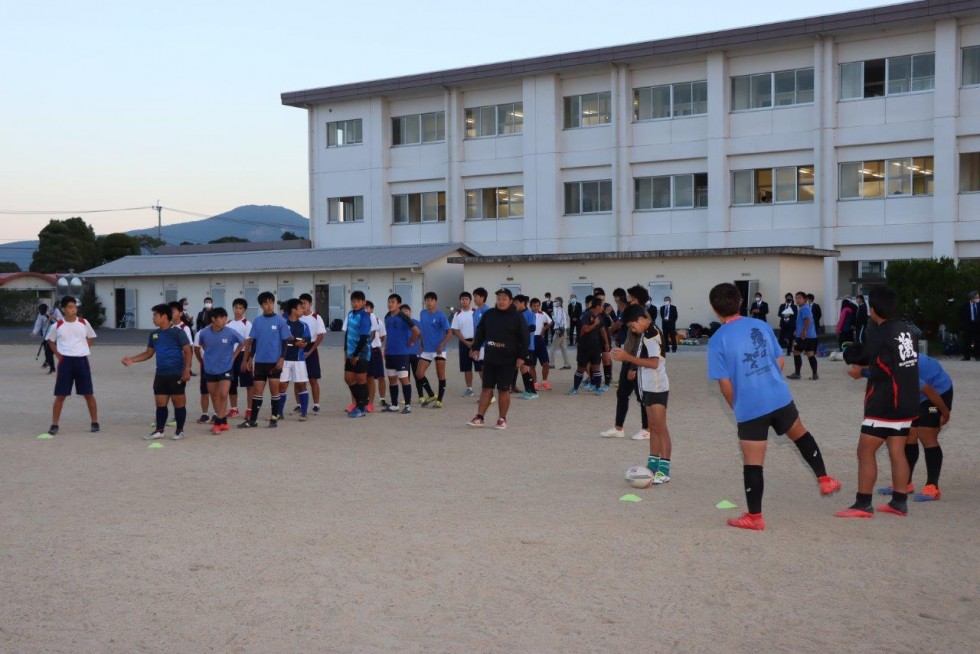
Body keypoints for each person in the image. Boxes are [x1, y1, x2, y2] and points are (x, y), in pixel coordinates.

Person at [706, 283, 841, 531]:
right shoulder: (762, 325)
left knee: (753, 461)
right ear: (740, 302)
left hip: (750, 405)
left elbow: (725, 384)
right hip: (778, 396)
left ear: (715, 310)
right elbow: (779, 359)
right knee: (800, 433)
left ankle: (755, 517)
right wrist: (769, 379)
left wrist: (738, 408)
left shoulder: (716, 341)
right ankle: (824, 478)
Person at [836, 285, 919, 519]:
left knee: (865, 451)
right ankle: (899, 501)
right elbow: (893, 366)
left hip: (886, 403)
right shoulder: (908, 331)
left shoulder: (881, 332)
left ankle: (863, 503)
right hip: (907, 401)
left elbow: (863, 357)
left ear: (873, 309)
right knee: (897, 450)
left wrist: (854, 363)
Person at [869, 352, 951, 502]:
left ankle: (932, 487)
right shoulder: (879, 363)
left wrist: (945, 412)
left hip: (937, 391)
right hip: (915, 395)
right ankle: (905, 483)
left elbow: (928, 390)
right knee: (908, 436)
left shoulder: (902, 366)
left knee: (926, 434)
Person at [613, 304, 672, 483]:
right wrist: (634, 368)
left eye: (632, 326)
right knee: (652, 427)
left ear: (641, 319)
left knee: (661, 428)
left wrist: (628, 358)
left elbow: (654, 363)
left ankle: (664, 468)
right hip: (646, 386)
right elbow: (643, 357)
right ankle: (653, 463)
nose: (632, 329)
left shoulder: (651, 335)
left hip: (657, 387)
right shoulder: (646, 333)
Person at [122, 303, 192, 440]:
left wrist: (187, 370)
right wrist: (132, 360)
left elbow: (188, 351)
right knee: (160, 403)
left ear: (164, 316)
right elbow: (148, 353)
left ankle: (179, 431)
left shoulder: (178, 332)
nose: (153, 318)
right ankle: (159, 430)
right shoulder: (154, 334)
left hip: (176, 374)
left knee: (179, 403)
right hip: (160, 374)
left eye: (155, 315)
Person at [466, 288, 529, 430]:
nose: (501, 301)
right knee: (486, 388)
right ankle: (480, 417)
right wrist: (475, 347)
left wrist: (522, 356)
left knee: (503, 389)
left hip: (508, 359)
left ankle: (502, 419)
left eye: (504, 298)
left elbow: (525, 338)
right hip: (490, 357)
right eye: (499, 298)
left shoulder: (517, 317)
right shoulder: (489, 314)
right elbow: (481, 332)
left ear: (510, 300)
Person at [600, 285, 651, 440]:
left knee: (641, 396)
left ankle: (646, 429)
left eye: (630, 296)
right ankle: (618, 428)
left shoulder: (643, 316)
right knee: (622, 393)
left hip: (636, 361)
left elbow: (641, 345)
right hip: (627, 358)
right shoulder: (631, 312)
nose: (627, 299)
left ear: (636, 298)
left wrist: (634, 366)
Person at [46, 296, 100, 435]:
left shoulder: (83, 322)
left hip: (81, 360)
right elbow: (50, 341)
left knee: (88, 393)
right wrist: (58, 355)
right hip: (66, 362)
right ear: (63, 309)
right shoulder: (57, 325)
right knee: (61, 395)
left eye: (75, 307)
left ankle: (94, 422)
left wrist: (84, 348)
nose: (73, 309)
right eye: (70, 307)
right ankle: (54, 424)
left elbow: (92, 336)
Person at [238, 291, 289, 429]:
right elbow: (254, 341)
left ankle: (274, 418)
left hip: (274, 362)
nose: (269, 305)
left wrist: (282, 358)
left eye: (271, 302)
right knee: (257, 391)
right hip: (260, 362)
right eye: (266, 303)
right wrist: (250, 357)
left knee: (274, 390)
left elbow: (285, 342)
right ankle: (253, 420)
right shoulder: (257, 321)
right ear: (261, 305)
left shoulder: (280, 321)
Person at [197, 306, 246, 433]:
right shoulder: (204, 333)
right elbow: (201, 344)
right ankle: (223, 420)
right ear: (213, 319)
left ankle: (217, 423)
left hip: (226, 368)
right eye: (222, 318)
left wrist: (234, 356)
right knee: (214, 395)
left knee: (223, 394)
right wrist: (208, 355)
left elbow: (243, 343)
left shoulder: (230, 332)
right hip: (210, 369)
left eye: (225, 317)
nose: (224, 320)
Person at [382, 294, 421, 414]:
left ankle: (408, 405)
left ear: (398, 304)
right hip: (390, 353)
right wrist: (385, 348)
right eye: (389, 302)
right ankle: (394, 405)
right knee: (392, 379)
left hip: (401, 353)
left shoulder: (403, 316)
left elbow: (416, 331)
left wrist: (411, 341)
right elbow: (388, 334)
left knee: (404, 379)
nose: (390, 304)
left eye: (393, 302)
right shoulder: (387, 316)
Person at [277, 298, 312, 421]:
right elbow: (283, 339)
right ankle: (279, 413)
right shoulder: (283, 323)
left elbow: (306, 340)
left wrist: (296, 341)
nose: (303, 309)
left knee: (302, 385)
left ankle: (304, 413)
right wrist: (295, 341)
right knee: (281, 386)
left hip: (299, 360)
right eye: (301, 307)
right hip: (284, 359)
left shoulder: (304, 325)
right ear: (293, 310)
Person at [416, 292, 452, 408]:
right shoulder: (422, 313)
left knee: (440, 375)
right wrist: (421, 343)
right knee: (419, 374)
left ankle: (439, 400)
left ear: (435, 302)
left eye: (431, 300)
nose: (429, 302)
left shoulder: (441, 316)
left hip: (439, 350)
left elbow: (449, 333)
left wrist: (442, 344)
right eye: (427, 300)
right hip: (426, 350)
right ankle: (431, 394)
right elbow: (422, 330)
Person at [342, 290, 374, 418]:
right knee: (348, 378)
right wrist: (346, 352)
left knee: (361, 379)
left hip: (362, 354)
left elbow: (364, 338)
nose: (355, 303)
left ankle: (361, 408)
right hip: (350, 353)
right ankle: (361, 402)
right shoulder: (350, 314)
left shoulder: (365, 316)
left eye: (358, 301)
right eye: (353, 301)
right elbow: (347, 334)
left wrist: (356, 354)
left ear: (363, 302)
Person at [296, 293, 327, 415]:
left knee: (313, 379)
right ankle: (298, 404)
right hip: (298, 347)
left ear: (310, 304)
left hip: (311, 347)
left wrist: (311, 350)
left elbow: (320, 336)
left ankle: (316, 404)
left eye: (305, 303)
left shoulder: (316, 317)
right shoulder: (297, 317)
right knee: (298, 379)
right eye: (301, 303)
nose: (303, 305)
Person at [568, 297, 605, 396]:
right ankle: (575, 389)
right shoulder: (586, 315)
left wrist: (606, 343)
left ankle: (597, 388)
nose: (603, 308)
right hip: (584, 346)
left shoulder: (599, 316)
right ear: (597, 306)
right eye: (601, 306)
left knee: (596, 367)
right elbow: (584, 330)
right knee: (581, 368)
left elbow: (602, 330)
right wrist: (594, 324)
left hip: (596, 346)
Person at [227, 298, 252, 419]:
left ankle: (249, 409)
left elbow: (247, 343)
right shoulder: (228, 323)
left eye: (240, 308)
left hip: (243, 355)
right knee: (231, 383)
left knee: (248, 384)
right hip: (230, 356)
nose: (238, 310)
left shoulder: (247, 324)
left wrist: (245, 360)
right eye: (236, 307)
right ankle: (234, 409)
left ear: (244, 310)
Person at [787, 291, 818, 381]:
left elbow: (808, 319)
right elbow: (804, 321)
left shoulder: (804, 308)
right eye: (796, 298)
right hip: (811, 336)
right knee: (810, 354)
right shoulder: (806, 308)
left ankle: (797, 374)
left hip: (804, 336)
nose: (797, 300)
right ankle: (815, 374)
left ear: (805, 299)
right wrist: (798, 330)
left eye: (799, 298)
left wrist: (803, 331)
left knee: (796, 352)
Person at [451, 292, 477, 397]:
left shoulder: (476, 312)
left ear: (470, 300)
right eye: (462, 299)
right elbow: (455, 330)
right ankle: (469, 389)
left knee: (480, 367)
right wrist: (466, 342)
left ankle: (487, 389)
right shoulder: (457, 314)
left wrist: (474, 342)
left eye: (466, 299)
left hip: (476, 342)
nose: (464, 301)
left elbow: (481, 328)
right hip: (463, 342)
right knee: (467, 368)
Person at [364, 300, 387, 412]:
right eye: (364, 308)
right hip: (363, 351)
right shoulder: (360, 320)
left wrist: (375, 344)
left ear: (372, 309)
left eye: (368, 307)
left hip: (374, 350)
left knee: (380, 376)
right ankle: (367, 399)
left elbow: (382, 337)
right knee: (367, 377)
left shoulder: (378, 321)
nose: (366, 309)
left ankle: (382, 398)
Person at [529, 297, 552, 392]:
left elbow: (550, 322)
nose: (536, 307)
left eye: (538, 306)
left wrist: (544, 329)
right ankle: (534, 383)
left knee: (546, 363)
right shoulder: (528, 315)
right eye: (534, 306)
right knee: (532, 364)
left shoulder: (543, 314)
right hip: (531, 340)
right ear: (530, 306)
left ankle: (544, 381)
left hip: (540, 340)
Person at [31, 303, 56, 373]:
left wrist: (54, 318)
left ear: (47, 309)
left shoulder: (55, 311)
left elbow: (61, 320)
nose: (41, 312)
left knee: (49, 351)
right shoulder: (40, 315)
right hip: (46, 335)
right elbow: (38, 324)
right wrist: (34, 332)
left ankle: (47, 362)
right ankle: (52, 368)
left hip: (55, 335)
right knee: (47, 352)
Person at [549, 296, 571, 369]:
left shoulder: (559, 310)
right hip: (563, 330)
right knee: (564, 348)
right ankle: (567, 364)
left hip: (559, 330)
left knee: (552, 348)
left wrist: (553, 316)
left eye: (556, 301)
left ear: (560, 302)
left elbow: (558, 321)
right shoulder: (562, 310)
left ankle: (551, 364)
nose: (554, 302)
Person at [959, 290, 979, 360]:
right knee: (967, 340)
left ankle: (977, 356)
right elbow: (962, 317)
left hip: (977, 325)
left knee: (978, 340)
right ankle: (966, 356)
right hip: (968, 325)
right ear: (972, 298)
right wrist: (963, 326)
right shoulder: (965, 306)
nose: (978, 298)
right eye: (976, 297)